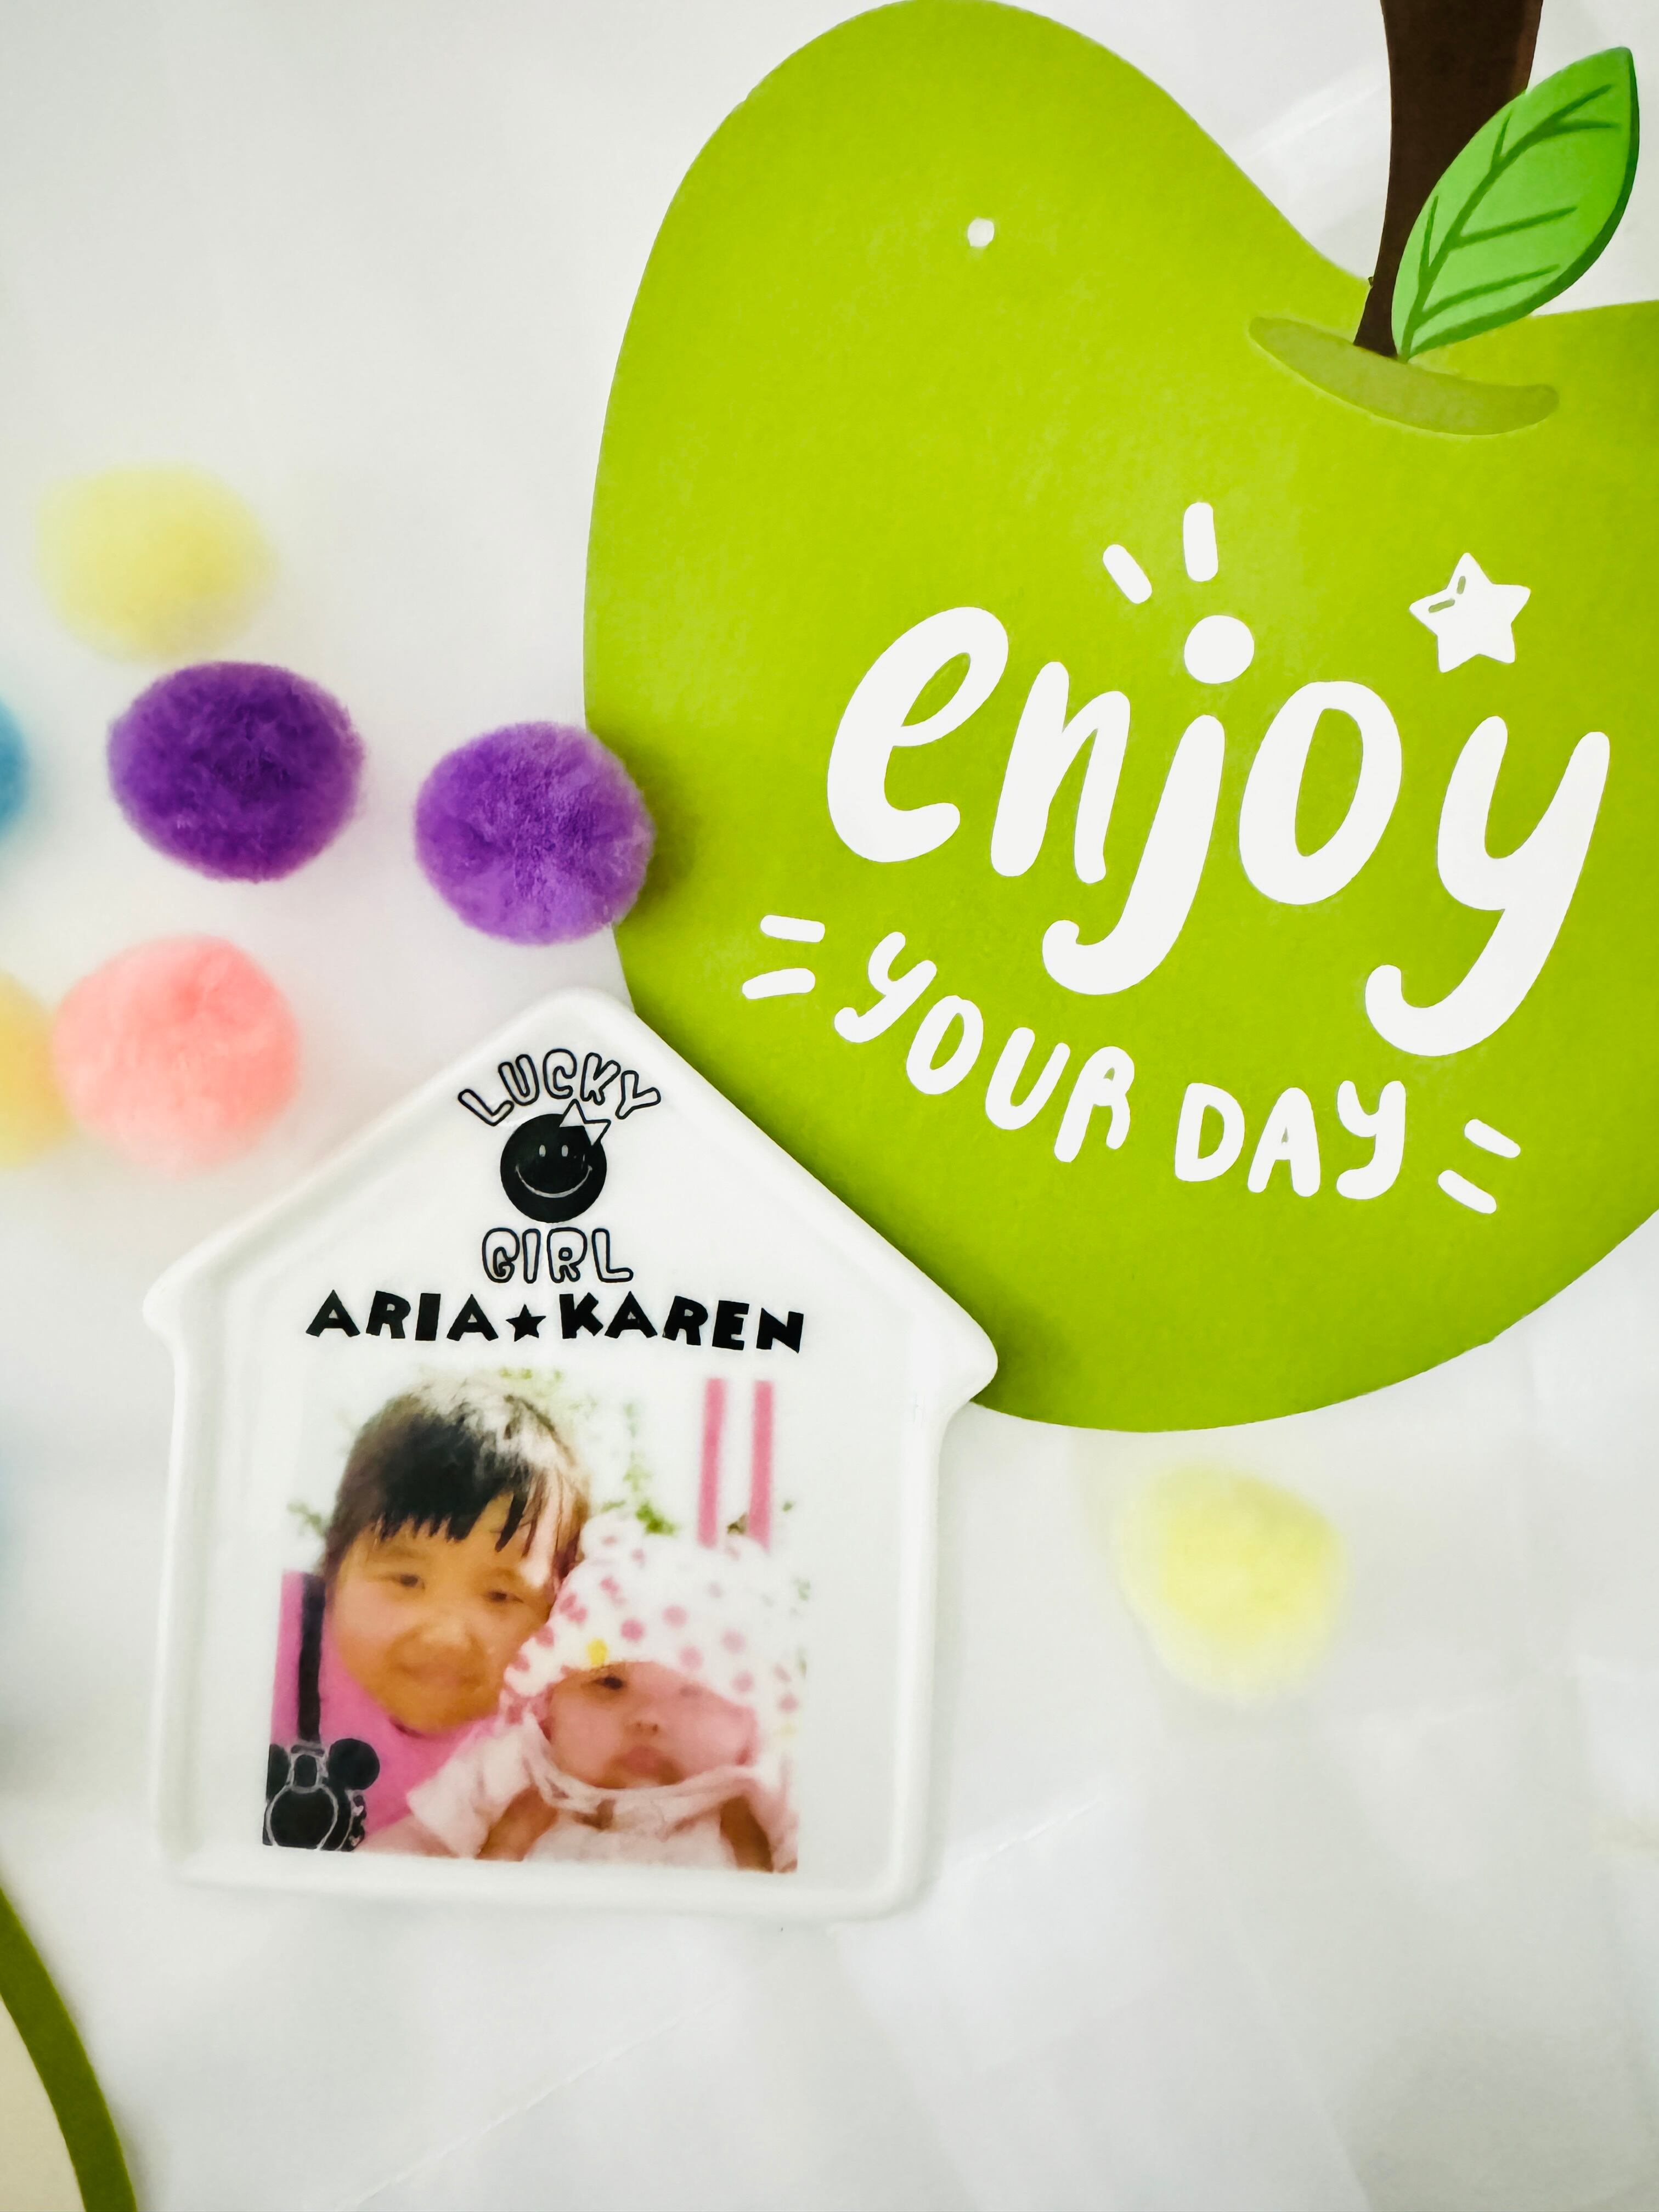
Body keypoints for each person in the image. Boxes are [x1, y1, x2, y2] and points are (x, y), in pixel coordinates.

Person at [365, 1516, 802, 1870]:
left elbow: (827, 1865)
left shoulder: (762, 1787)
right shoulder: (517, 1766)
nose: (647, 1718)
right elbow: (418, 1840)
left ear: (749, 1718)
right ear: (550, 1700)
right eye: (609, 1684)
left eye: (693, 1692)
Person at [266, 1376, 588, 1849]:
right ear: (333, 1567)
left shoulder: (549, 1746)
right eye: (406, 1580)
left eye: (501, 1596)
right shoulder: (272, 1637)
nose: (446, 1634)